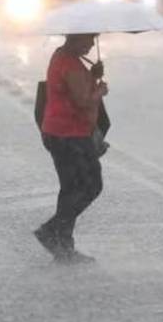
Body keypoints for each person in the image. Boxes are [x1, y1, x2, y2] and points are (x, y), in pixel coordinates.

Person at [35, 34, 108, 264]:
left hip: (58, 132)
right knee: (91, 185)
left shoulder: (62, 56)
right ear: (74, 39)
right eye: (87, 40)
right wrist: (100, 91)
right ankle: (52, 230)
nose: (90, 45)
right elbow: (83, 101)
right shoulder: (70, 64)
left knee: (70, 189)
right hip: (70, 135)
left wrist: (92, 75)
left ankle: (63, 248)